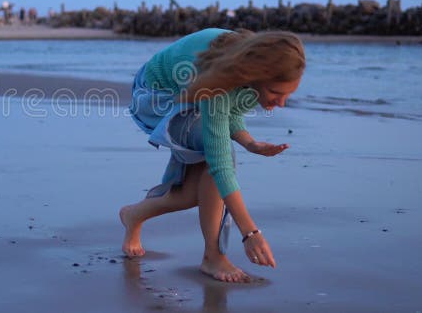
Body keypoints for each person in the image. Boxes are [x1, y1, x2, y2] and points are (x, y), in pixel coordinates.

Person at [121, 27, 305, 283]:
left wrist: (250, 143)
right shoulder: (222, 74)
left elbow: (231, 107)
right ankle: (213, 257)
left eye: (288, 95)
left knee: (195, 193)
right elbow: (220, 158)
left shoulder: (249, 67)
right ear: (256, 75)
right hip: (156, 96)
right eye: (276, 93)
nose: (281, 103)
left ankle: (135, 214)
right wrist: (250, 233)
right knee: (219, 162)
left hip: (193, 96)